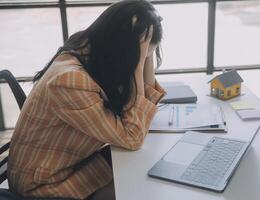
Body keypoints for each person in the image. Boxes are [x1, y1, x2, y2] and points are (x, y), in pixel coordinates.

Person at [7, 0, 165, 199]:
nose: (141, 62)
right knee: (143, 187)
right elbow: (133, 138)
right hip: (43, 186)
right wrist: (140, 63)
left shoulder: (90, 49)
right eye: (140, 56)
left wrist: (145, 54)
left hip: (70, 163)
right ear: (123, 50)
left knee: (147, 165)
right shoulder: (70, 81)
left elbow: (144, 111)